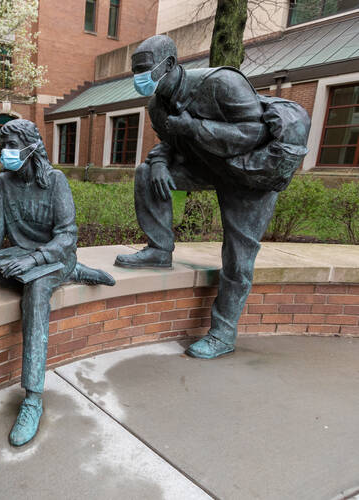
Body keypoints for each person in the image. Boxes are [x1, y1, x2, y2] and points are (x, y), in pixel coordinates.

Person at [114, 35, 309, 359]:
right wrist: (160, 163)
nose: (140, 77)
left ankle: (222, 333)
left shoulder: (223, 83)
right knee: (147, 173)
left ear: (171, 64)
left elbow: (253, 133)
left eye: (145, 69)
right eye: (136, 70)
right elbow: (170, 141)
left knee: (238, 258)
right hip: (207, 167)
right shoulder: (156, 105)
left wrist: (195, 128)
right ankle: (159, 250)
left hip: (248, 177)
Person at [0, 119, 114, 447]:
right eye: (3, 146)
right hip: (20, 257)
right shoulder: (3, 184)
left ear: (30, 147)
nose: (5, 153)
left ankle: (32, 398)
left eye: (11, 145)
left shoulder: (55, 182)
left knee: (37, 292)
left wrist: (36, 259)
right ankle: (73, 274)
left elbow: (67, 235)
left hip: (53, 258)